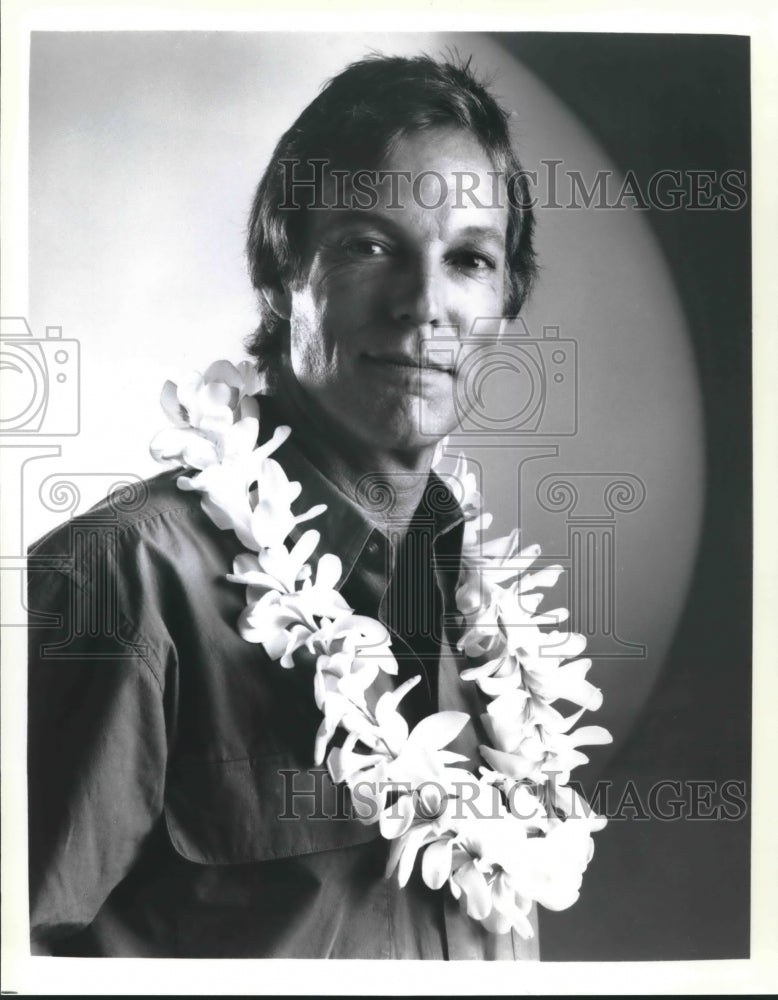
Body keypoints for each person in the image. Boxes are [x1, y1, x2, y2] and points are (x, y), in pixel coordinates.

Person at [27, 53, 544, 959]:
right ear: (281, 272)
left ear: (503, 305)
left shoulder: (491, 614)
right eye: (369, 245)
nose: (425, 305)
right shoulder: (124, 580)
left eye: (468, 259)